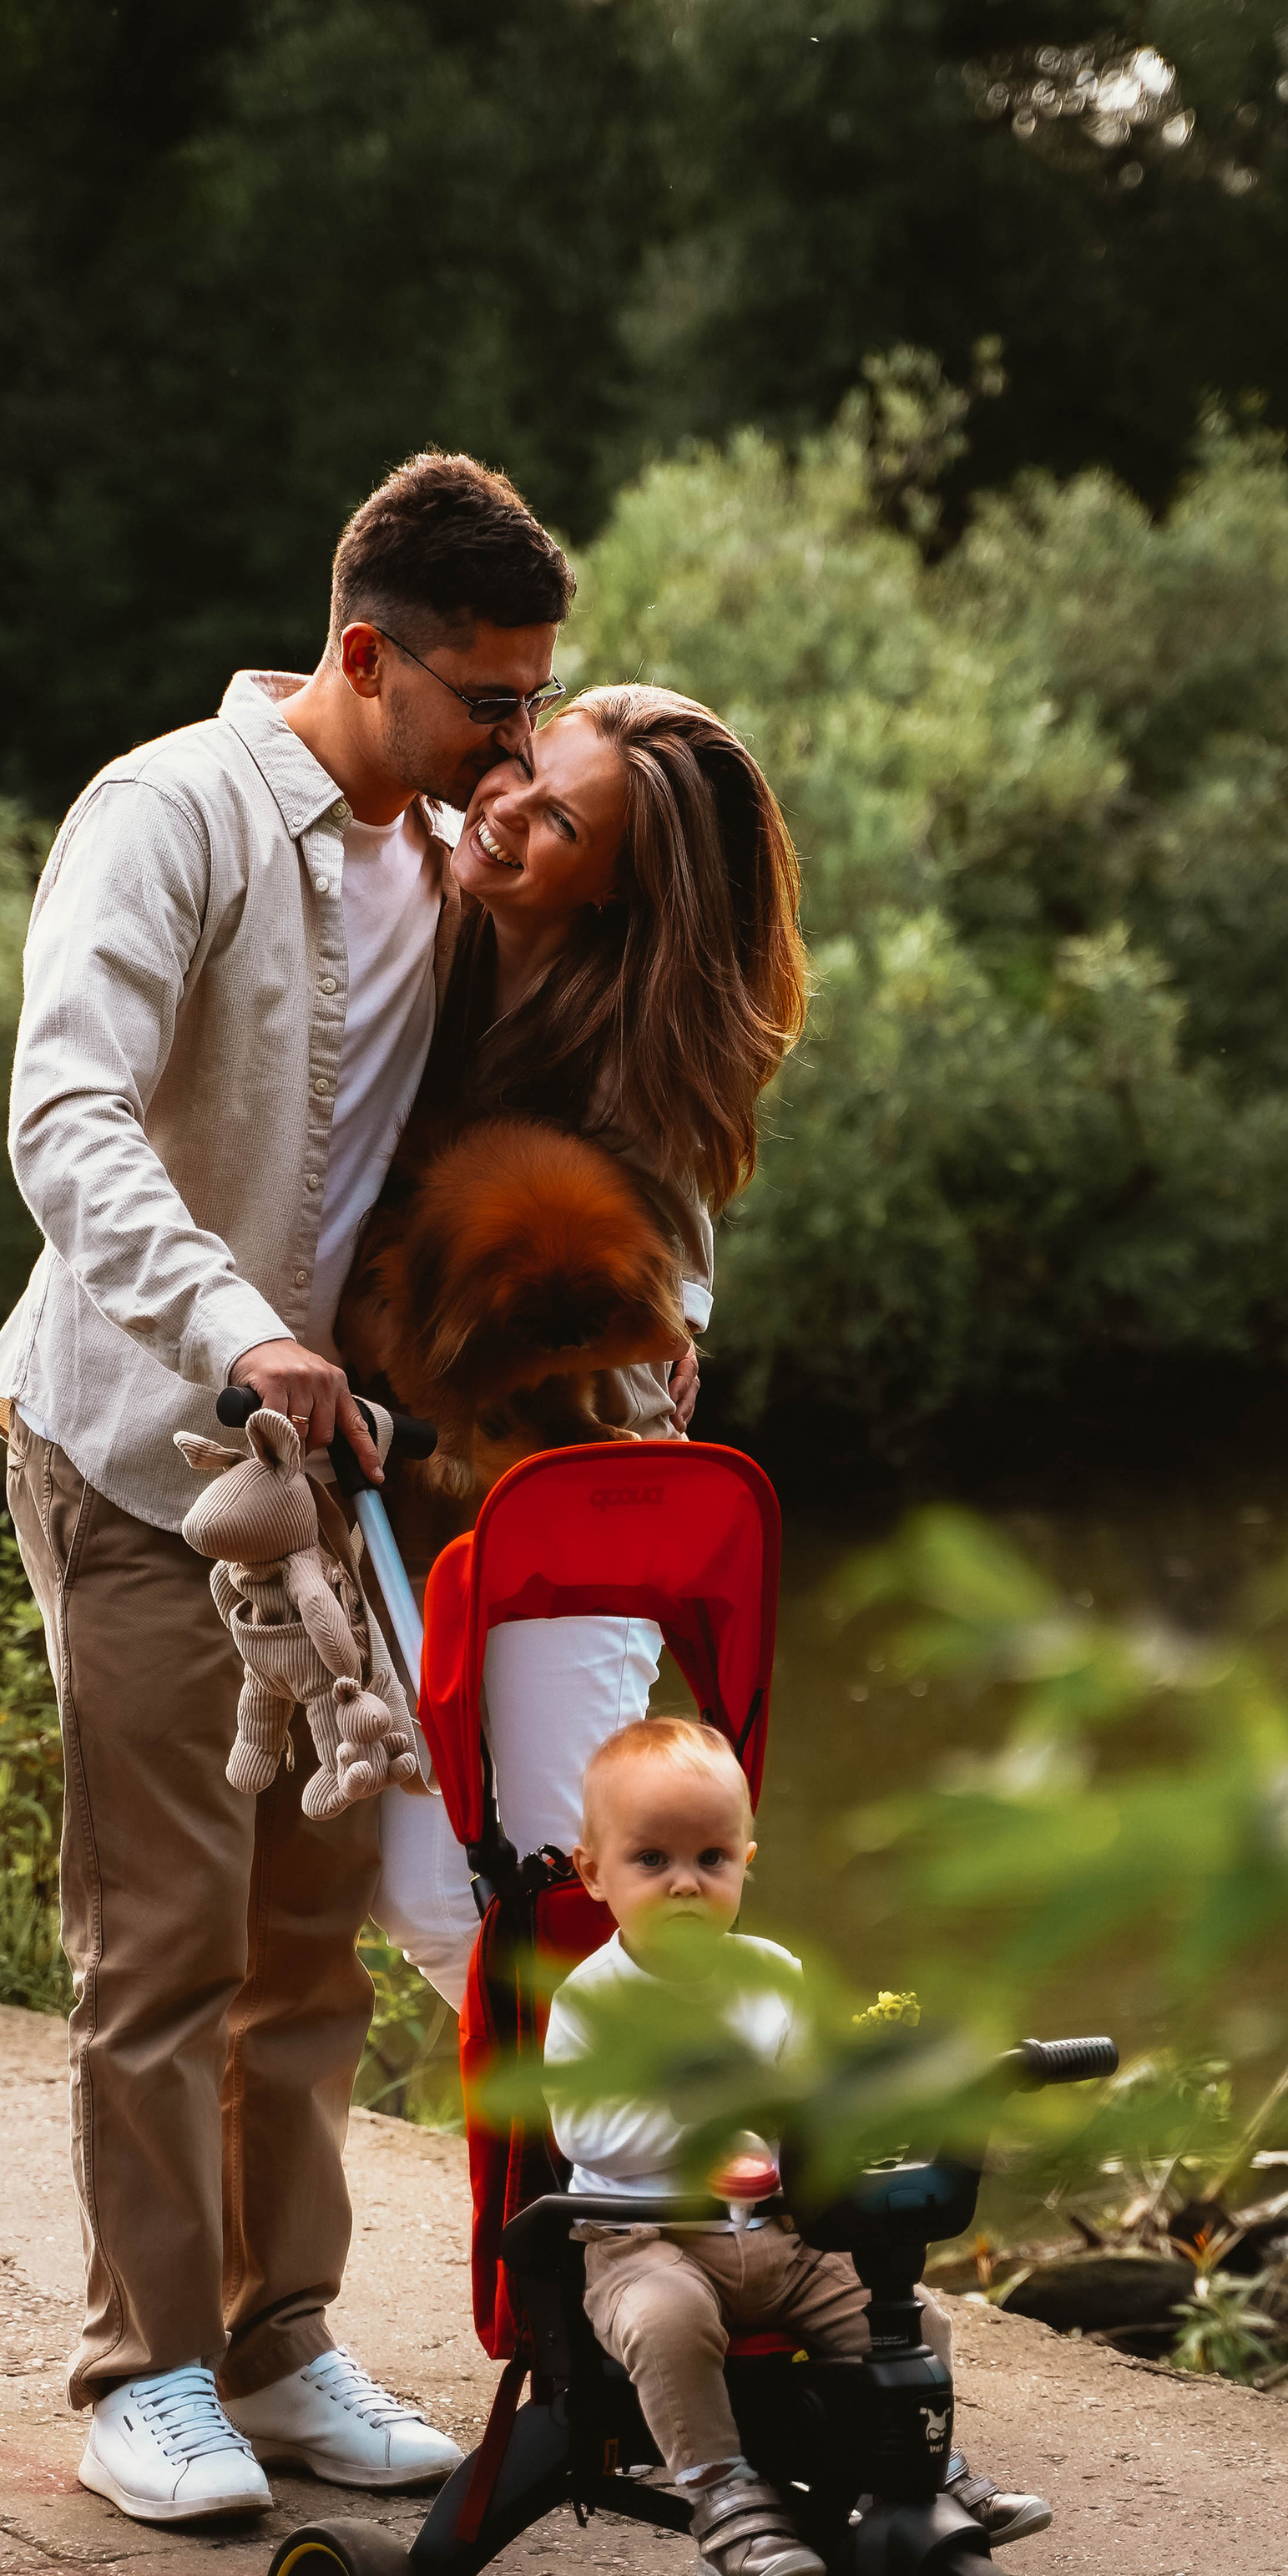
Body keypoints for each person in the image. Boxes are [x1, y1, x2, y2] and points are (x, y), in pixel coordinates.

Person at [0, 450, 574, 2526]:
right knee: (167, 1937)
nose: (520, 742)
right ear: (362, 653)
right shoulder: (169, 811)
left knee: (307, 1933)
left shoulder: (448, 860)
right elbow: (62, 1114)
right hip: (142, 1444)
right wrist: (233, 1328)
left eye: (533, 703)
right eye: (491, 699)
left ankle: (281, 2342)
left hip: (333, 1486)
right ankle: (139, 2370)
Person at [339, 685, 810, 2007]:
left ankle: (680, 2171)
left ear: (614, 892)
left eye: (557, 827)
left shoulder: (636, 1047)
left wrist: (673, 1327)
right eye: (522, 775)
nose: (504, 816)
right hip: (410, 1482)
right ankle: (607, 2177)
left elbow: (668, 1269)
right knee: (431, 1888)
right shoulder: (429, 911)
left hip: (575, 1488)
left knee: (570, 1884)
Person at [543, 1717, 1051, 2576]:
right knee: (665, 2319)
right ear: (593, 1872)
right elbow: (585, 2131)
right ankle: (721, 2501)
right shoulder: (594, 1999)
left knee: (903, 2313)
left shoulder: (772, 1975)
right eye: (651, 1861)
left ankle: (914, 2469)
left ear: (745, 1858)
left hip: (779, 2235)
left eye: (710, 1859)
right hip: (644, 2240)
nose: (686, 1886)